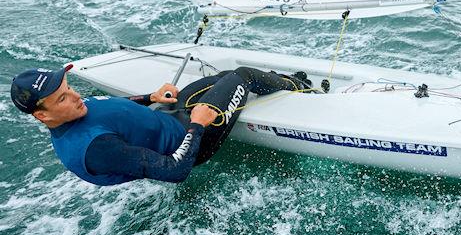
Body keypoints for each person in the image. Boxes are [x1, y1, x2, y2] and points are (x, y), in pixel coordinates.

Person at [10, 63, 312, 185]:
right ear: (43, 116)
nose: (75, 97)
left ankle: (273, 81)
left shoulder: (71, 109)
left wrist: (151, 96)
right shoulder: (92, 148)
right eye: (62, 98)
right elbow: (175, 171)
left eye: (69, 87)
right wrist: (198, 125)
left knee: (225, 76)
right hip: (193, 140)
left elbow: (109, 109)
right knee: (242, 76)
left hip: (170, 116)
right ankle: (303, 87)